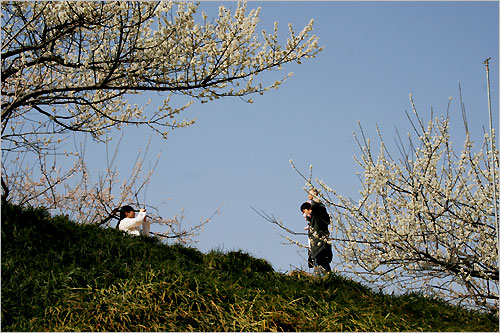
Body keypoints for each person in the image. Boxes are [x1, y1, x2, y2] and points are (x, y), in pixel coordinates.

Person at [301, 194, 332, 275]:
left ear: (308, 209)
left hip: (320, 251)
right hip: (317, 252)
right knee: (323, 270)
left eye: (304, 212)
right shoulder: (312, 223)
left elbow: (318, 207)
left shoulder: (317, 217)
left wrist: (314, 198)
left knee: (321, 271)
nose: (304, 215)